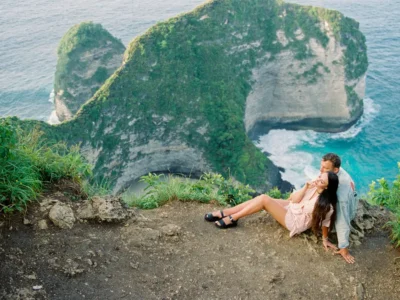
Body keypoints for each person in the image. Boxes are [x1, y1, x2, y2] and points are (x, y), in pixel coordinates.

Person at [204, 171, 339, 247]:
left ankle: (233, 218)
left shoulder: (327, 205)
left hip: (295, 221)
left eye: (322, 181)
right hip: (292, 207)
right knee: (259, 199)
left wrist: (325, 239)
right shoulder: (312, 187)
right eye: (320, 176)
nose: (318, 180)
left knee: (263, 199)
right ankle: (226, 212)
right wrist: (306, 187)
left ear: (327, 187)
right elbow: (293, 199)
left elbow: (326, 223)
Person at [318, 153, 358, 264]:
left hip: (346, 208)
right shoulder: (332, 172)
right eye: (321, 166)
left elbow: (343, 221)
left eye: (325, 168)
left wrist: (343, 248)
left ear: (335, 170)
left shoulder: (341, 195)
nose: (321, 170)